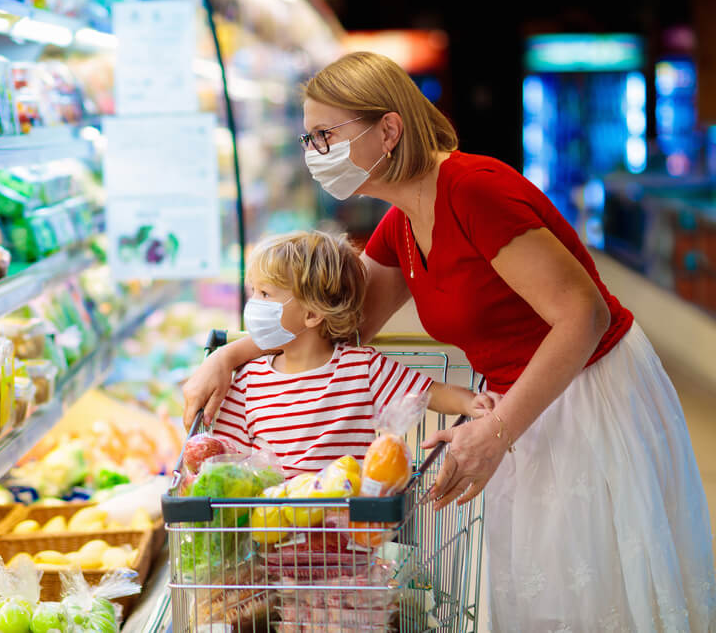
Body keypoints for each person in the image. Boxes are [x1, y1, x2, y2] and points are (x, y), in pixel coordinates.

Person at [182, 51, 716, 631]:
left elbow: (581, 317)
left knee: (588, 590)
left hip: (587, 391)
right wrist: (231, 355)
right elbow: (337, 322)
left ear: (388, 129)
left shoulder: (474, 190)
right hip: (521, 403)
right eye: (308, 139)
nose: (315, 154)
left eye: (324, 136)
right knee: (538, 590)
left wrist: (495, 429)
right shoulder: (403, 223)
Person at [208, 230, 485, 478]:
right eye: (253, 291)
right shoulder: (247, 381)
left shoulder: (361, 369)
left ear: (312, 314)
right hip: (270, 529)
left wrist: (473, 403)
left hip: (348, 530)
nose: (254, 304)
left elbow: (431, 393)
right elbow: (226, 461)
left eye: (265, 294)